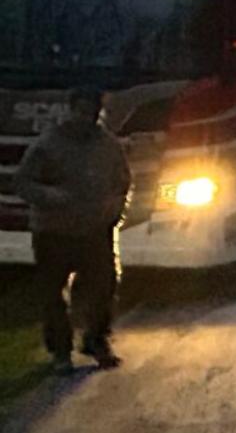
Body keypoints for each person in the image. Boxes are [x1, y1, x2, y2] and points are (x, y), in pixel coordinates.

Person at [16, 86, 131, 374]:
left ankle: (96, 340)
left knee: (104, 286)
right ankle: (60, 352)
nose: (86, 118)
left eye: (92, 113)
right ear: (71, 110)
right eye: (81, 111)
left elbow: (122, 181)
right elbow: (23, 182)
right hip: (54, 231)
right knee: (53, 293)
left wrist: (115, 211)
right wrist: (49, 196)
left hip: (95, 229)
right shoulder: (48, 145)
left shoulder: (108, 145)